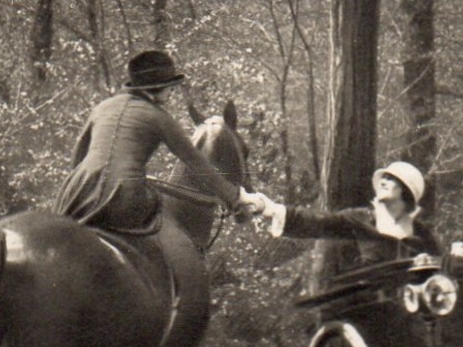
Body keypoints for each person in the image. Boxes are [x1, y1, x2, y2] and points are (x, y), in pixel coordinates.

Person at [54, 49, 261, 232]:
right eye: (170, 87)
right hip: (123, 197)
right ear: (160, 87)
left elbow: (77, 159)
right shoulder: (159, 117)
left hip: (77, 193)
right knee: (163, 227)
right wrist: (234, 198)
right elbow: (196, 162)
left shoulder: (100, 108)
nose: (171, 93)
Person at [253, 160, 442, 264]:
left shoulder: (421, 233)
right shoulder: (361, 218)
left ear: (406, 191)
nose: (383, 181)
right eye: (383, 177)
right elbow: (320, 222)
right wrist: (269, 209)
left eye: (391, 179)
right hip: (369, 305)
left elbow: (441, 271)